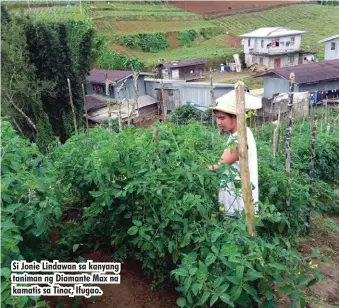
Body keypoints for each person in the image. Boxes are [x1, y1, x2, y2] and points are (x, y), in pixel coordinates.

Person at [208, 95, 259, 217]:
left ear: (235, 117)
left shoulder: (240, 137)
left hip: (240, 205)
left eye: (222, 118)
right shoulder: (236, 134)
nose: (219, 122)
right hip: (234, 201)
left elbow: (220, 166)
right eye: (217, 118)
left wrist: (197, 169)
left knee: (239, 234)